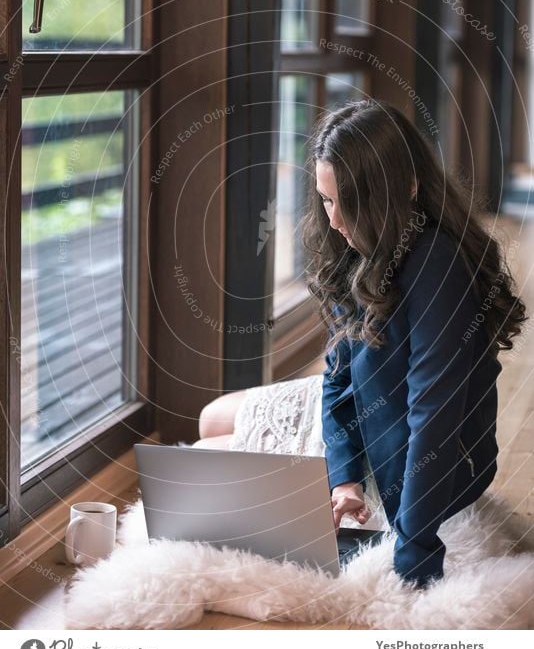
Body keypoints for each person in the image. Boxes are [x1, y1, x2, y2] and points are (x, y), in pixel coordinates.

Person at [196, 98, 527, 589]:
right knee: (213, 417)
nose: (333, 220)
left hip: (415, 452)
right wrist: (342, 476)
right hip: (368, 411)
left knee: (208, 453)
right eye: (325, 199)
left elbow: (433, 412)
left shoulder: (437, 263)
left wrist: (414, 556)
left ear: (407, 188)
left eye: (346, 202)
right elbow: (337, 378)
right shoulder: (361, 245)